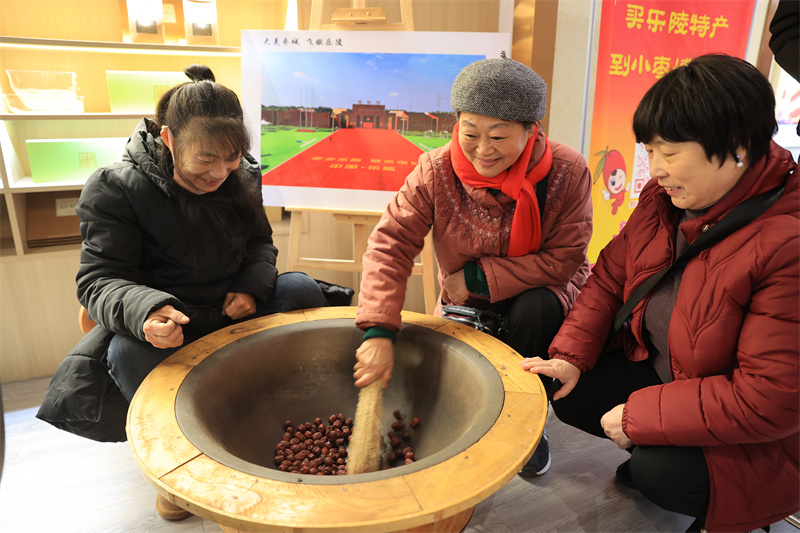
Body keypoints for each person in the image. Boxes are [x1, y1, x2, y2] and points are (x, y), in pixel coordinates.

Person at [522, 54, 799, 532]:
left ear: (738, 146)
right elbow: (609, 278)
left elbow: (767, 400)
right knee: (569, 390)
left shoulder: (787, 241)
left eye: (669, 153)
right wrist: (571, 354)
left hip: (763, 434)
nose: (656, 169)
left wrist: (639, 416)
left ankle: (724, 507)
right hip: (672, 375)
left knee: (659, 471)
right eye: (650, 151)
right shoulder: (664, 200)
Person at [37, 65, 329, 518]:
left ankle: (288, 415)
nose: (220, 172)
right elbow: (97, 280)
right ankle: (179, 468)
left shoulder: (243, 174)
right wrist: (150, 311)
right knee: (126, 353)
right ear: (169, 139)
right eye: (205, 160)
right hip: (171, 322)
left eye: (231, 158)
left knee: (302, 290)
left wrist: (251, 288)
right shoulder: (115, 187)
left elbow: (259, 244)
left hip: (232, 308)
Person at [353, 55, 593, 476]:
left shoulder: (567, 170)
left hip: (546, 293)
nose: (483, 150)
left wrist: (478, 276)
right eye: (470, 133)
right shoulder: (435, 169)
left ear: (530, 129)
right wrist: (378, 329)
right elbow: (391, 244)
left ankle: (528, 425)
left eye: (499, 136)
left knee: (534, 310)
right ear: (456, 124)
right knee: (450, 379)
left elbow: (564, 260)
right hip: (467, 300)